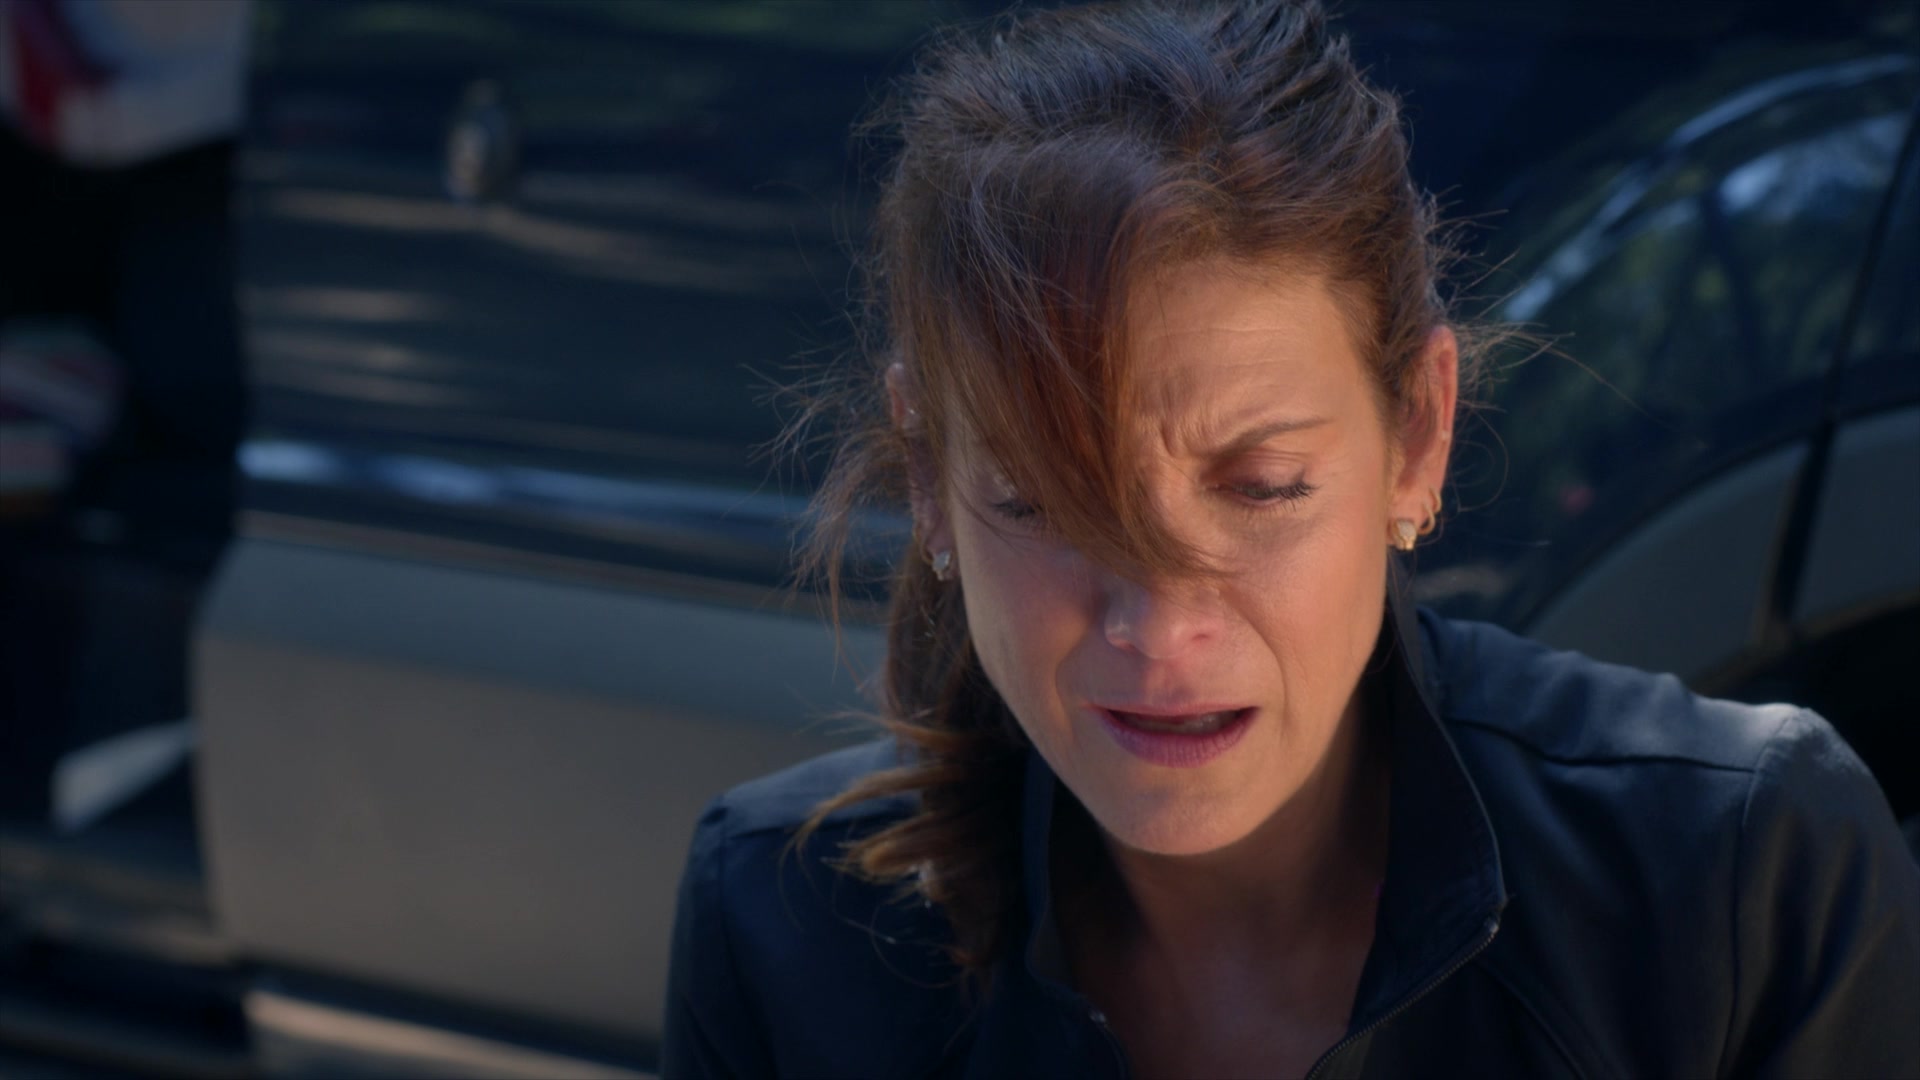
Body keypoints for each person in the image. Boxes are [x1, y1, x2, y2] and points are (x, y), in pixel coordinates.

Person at [661, 1, 1920, 1075]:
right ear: (930, 480)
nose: (1159, 627)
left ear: (1417, 437)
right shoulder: (782, 924)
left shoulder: (1742, 877)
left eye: (1261, 488)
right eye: (1044, 500)